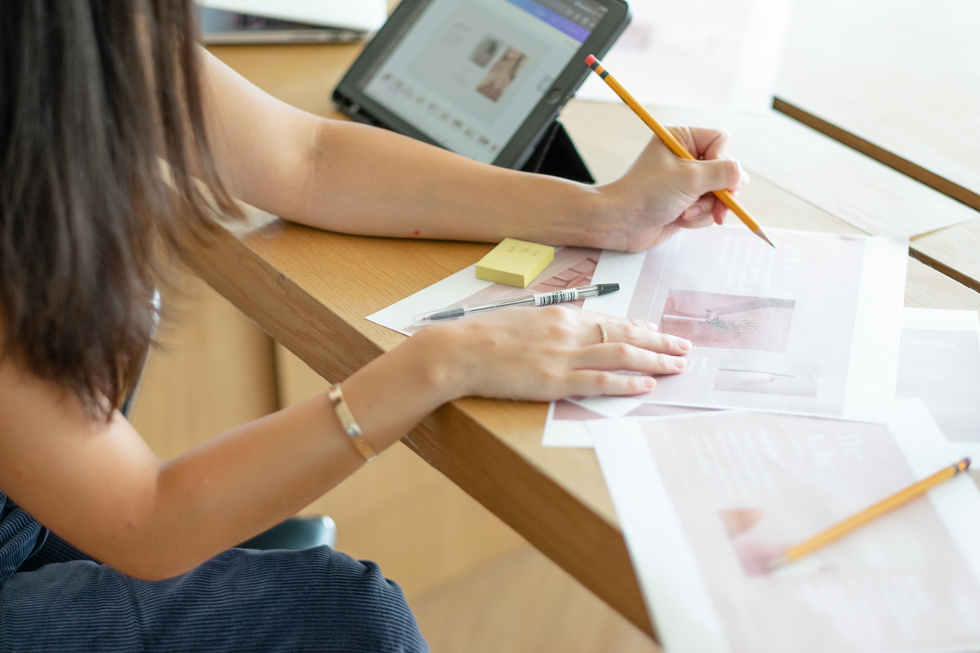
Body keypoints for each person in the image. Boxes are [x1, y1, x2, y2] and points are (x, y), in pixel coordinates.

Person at [0, 1, 748, 651]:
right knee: (346, 618)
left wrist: (598, 211)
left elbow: (304, 157)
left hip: (30, 514)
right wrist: (442, 361)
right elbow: (149, 519)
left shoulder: (76, 29)